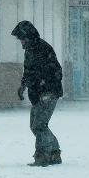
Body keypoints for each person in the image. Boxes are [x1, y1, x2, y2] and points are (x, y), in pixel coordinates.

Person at [11, 20, 63, 166]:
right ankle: (54, 153)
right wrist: (23, 86)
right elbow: (28, 71)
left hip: (48, 93)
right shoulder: (30, 50)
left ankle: (42, 156)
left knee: (39, 125)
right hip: (38, 94)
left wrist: (47, 88)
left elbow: (56, 71)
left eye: (22, 38)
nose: (21, 42)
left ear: (29, 36)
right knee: (36, 125)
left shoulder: (43, 48)